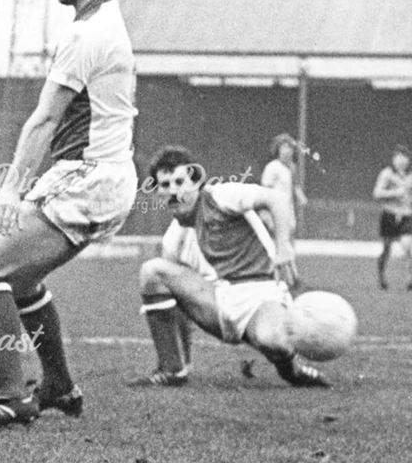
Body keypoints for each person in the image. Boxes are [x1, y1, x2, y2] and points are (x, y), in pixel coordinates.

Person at [0, 0, 137, 428]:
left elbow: (44, 119)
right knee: (23, 279)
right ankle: (58, 385)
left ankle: (12, 395)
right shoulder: (107, 23)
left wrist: (12, 190)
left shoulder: (88, 33)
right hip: (102, 179)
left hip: (86, 179)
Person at [134, 146, 329, 388]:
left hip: (260, 293)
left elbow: (276, 198)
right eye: (164, 185)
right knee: (153, 271)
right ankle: (173, 369)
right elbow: (173, 306)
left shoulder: (221, 196)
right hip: (219, 301)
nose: (173, 191)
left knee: (274, 341)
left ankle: (293, 372)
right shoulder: (174, 238)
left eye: (180, 181)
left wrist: (283, 249)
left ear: (196, 183)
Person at [372, 145, 412, 290]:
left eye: (404, 157)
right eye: (398, 157)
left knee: (408, 246)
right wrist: (395, 193)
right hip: (389, 215)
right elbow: (377, 193)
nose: (401, 160)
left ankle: (410, 279)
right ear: (394, 159)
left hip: (407, 215)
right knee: (386, 249)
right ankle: (381, 276)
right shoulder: (387, 174)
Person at [260, 133, 307, 238]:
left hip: (288, 211)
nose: (287, 151)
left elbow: (295, 186)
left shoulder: (292, 168)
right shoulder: (272, 167)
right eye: (284, 147)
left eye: (289, 148)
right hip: (275, 212)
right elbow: (265, 191)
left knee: (289, 242)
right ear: (278, 149)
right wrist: (267, 214)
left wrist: (301, 198)